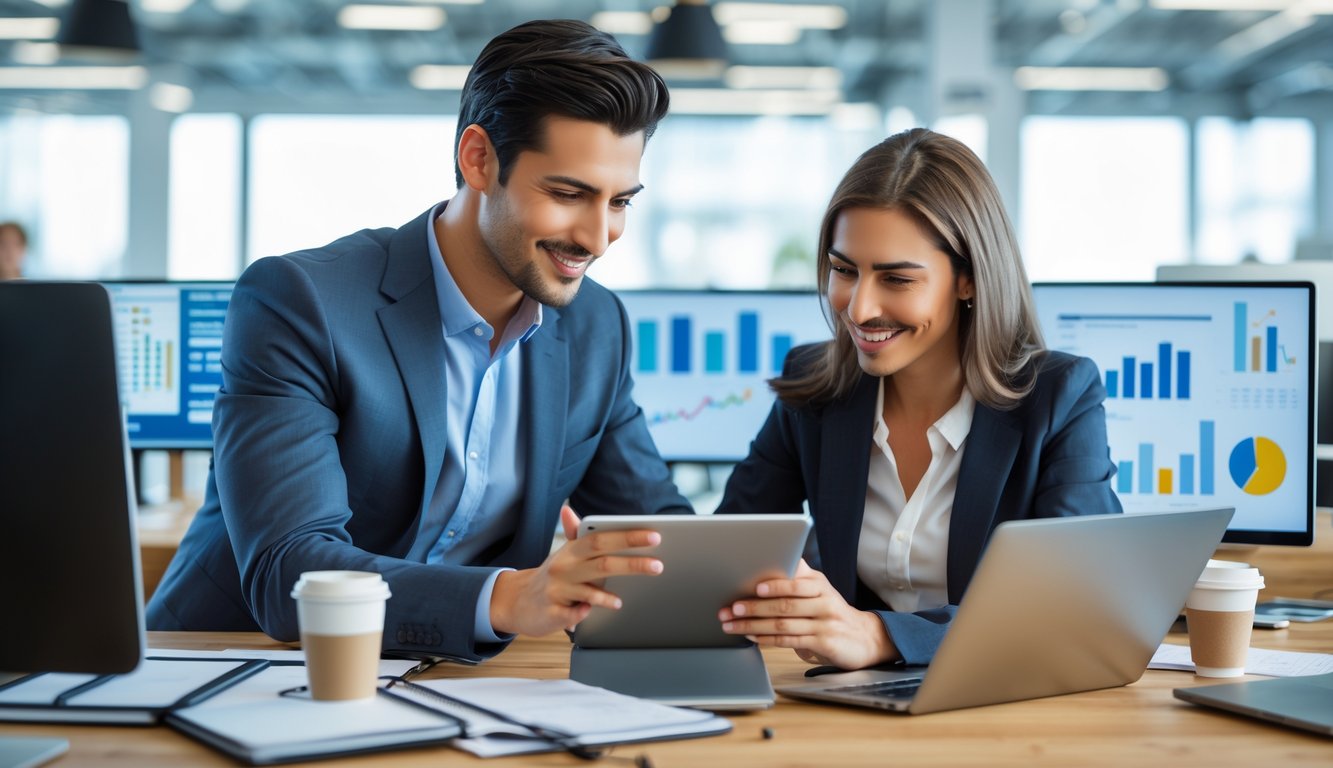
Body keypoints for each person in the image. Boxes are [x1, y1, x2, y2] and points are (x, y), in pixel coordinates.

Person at [147, 19, 688, 663]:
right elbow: (290, 570)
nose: (599, 238)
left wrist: (765, 584)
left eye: (620, 202)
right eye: (569, 194)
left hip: (456, 677)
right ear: (479, 158)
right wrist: (509, 598)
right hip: (232, 663)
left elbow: (656, 530)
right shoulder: (301, 301)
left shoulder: (597, 328)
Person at [713, 128, 1122, 670]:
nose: (858, 310)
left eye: (897, 279)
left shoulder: (1058, 397)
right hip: (850, 705)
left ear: (968, 280)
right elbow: (729, 553)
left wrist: (878, 636)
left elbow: (1078, 606)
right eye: (843, 270)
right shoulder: (812, 388)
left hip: (1001, 702)